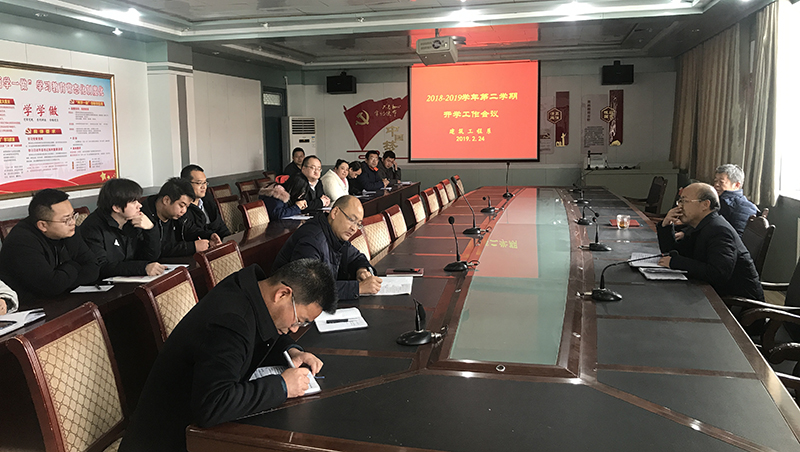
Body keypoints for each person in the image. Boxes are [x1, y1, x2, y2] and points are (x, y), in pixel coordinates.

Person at [118, 258, 337, 452]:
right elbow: (213, 405)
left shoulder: (252, 288)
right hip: (168, 439)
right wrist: (282, 386)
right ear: (282, 294)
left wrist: (291, 350)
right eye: (299, 320)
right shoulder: (232, 321)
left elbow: (266, 327)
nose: (295, 329)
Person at [657, 182, 764, 301]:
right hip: (712, 292)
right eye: (680, 201)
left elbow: (718, 274)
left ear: (705, 205)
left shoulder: (719, 231)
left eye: (684, 201)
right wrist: (666, 225)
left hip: (737, 304)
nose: (679, 207)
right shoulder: (701, 226)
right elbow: (673, 252)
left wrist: (676, 262)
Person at [272, 195, 382, 300]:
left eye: (358, 224)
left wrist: (361, 270)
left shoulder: (336, 233)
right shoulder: (312, 239)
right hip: (287, 303)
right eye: (351, 220)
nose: (354, 228)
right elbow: (308, 287)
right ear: (335, 212)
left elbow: (356, 257)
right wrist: (358, 288)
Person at [0, 189, 99, 305]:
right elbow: (52, 286)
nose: (73, 222)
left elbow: (93, 268)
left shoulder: (70, 231)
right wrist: (75, 265)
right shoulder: (21, 241)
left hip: (61, 299)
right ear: (43, 225)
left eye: (73, 216)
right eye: (66, 219)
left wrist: (63, 278)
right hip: (29, 307)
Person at [80, 178, 165, 278]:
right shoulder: (92, 228)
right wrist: (142, 268)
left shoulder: (132, 220)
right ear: (116, 207)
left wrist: (150, 229)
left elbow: (150, 257)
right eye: (133, 202)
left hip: (130, 279)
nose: (140, 205)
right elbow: (101, 268)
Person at [142, 177, 222, 257]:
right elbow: (155, 250)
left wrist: (209, 235)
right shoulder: (144, 218)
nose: (184, 210)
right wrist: (192, 247)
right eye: (181, 205)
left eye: (187, 206)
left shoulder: (178, 215)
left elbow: (191, 229)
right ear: (166, 200)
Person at [180, 164, 231, 239]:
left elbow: (220, 224)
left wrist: (229, 240)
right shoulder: (182, 207)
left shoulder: (208, 198)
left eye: (205, 182)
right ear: (186, 184)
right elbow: (192, 232)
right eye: (199, 183)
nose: (203, 187)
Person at [713, 164, 758, 237]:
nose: (716, 185)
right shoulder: (716, 199)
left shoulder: (744, 206)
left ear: (736, 185)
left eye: (721, 182)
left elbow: (737, 237)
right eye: (715, 181)